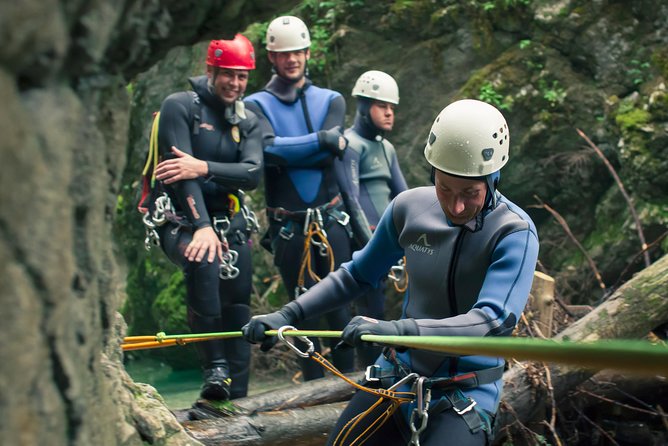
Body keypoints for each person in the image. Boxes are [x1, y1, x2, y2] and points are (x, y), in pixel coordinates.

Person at [243, 99, 540, 445]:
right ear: (433, 175)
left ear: (492, 180)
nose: (456, 206)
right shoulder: (410, 209)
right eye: (445, 188)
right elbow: (357, 275)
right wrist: (287, 315)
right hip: (396, 379)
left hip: (464, 395)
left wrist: (395, 331)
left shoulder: (514, 232)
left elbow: (492, 320)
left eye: (470, 193)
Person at [148, 34, 263, 401]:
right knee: (205, 259)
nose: (235, 83)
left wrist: (203, 166)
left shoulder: (248, 120)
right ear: (210, 70)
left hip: (229, 219)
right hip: (180, 217)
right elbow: (179, 176)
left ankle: (240, 394)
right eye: (228, 74)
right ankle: (215, 372)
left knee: (239, 300)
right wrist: (201, 227)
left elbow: (253, 173)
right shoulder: (180, 107)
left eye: (242, 76)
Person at [244, 15, 356, 381]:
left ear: (307, 53)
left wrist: (309, 146)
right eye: (283, 54)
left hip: (330, 219)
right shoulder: (256, 104)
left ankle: (348, 386)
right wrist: (321, 140)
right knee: (300, 312)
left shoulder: (332, 100)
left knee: (341, 306)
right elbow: (267, 152)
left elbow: (325, 153)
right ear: (272, 58)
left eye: (297, 52)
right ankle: (312, 389)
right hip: (289, 225)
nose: (291, 59)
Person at [343, 70, 408, 367]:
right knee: (366, 309)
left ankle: (377, 371)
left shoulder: (387, 148)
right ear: (363, 106)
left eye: (392, 108)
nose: (389, 113)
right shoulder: (350, 145)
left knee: (379, 311)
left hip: (385, 244)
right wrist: (373, 250)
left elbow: (404, 197)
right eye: (382, 106)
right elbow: (352, 200)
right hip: (363, 244)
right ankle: (364, 375)